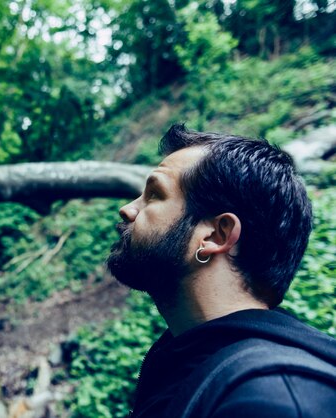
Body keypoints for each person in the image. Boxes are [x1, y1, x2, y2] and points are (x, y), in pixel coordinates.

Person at [107, 124, 336, 418]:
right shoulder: (188, 366)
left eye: (154, 195)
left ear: (216, 235)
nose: (127, 209)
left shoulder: (274, 399)